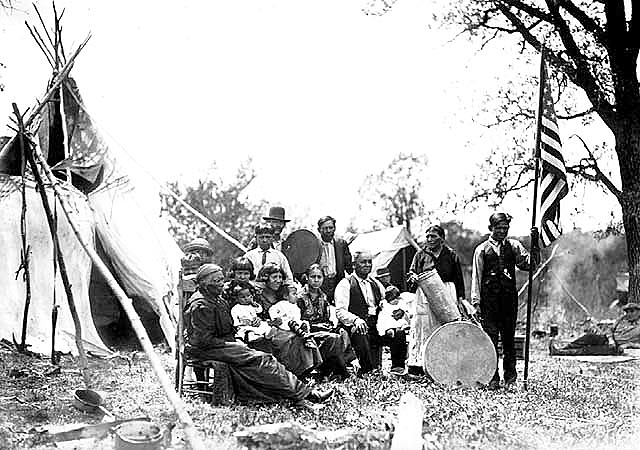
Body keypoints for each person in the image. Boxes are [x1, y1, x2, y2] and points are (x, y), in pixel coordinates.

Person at [183, 264, 332, 408]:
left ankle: (297, 396)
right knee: (262, 359)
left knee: (259, 363)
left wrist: (239, 338)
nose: (222, 284)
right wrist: (234, 345)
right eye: (216, 281)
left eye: (222, 279)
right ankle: (305, 394)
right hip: (207, 349)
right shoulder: (200, 304)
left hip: (221, 345)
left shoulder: (216, 298)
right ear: (203, 283)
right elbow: (203, 340)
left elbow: (228, 327)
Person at [471, 213, 539, 389]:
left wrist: (535, 243)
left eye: (505, 228)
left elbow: (529, 264)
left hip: (508, 299)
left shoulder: (514, 246)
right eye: (498, 228)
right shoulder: (482, 250)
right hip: (489, 301)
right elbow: (476, 277)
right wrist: (476, 302)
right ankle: (492, 377)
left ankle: (510, 378)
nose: (502, 231)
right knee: (490, 340)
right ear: (490, 228)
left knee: (508, 340)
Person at [334, 250, 408, 375]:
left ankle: (398, 370)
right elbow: (340, 311)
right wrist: (356, 320)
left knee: (399, 332)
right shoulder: (345, 284)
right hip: (354, 328)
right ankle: (368, 372)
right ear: (354, 265)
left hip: (375, 328)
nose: (367, 265)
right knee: (360, 331)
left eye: (369, 262)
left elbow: (387, 304)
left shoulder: (376, 283)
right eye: (363, 262)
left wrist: (399, 310)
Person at [406, 224, 466, 375]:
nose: (430, 239)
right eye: (427, 236)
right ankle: (419, 365)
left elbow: (459, 278)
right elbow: (412, 272)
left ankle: (444, 365)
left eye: (434, 236)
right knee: (423, 327)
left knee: (445, 327)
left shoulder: (451, 255)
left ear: (442, 239)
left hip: (446, 294)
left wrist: (460, 299)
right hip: (425, 295)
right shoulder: (420, 254)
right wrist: (413, 276)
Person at [249, 263, 322, 378]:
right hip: (268, 330)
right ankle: (292, 374)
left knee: (300, 335)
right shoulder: (258, 296)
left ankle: (305, 370)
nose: (278, 280)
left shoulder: (282, 293)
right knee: (291, 338)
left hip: (285, 327)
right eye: (274, 277)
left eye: (280, 277)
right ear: (266, 278)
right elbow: (257, 317)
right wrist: (270, 322)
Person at [297, 263, 357, 381]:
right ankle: (342, 372)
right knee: (333, 338)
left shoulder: (323, 297)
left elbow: (326, 318)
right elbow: (298, 320)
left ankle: (331, 371)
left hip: (322, 330)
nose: (316, 280)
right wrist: (317, 326)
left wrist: (329, 325)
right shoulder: (300, 297)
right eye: (313, 277)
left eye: (319, 277)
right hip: (306, 332)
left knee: (342, 333)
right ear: (307, 278)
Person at [549, 302, 640, 355]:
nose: (629, 314)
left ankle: (560, 352)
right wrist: (610, 339)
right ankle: (564, 349)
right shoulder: (622, 319)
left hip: (616, 347)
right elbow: (610, 330)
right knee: (588, 337)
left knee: (589, 350)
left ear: (638, 312)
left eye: (632, 311)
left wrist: (628, 345)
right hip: (608, 339)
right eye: (627, 311)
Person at [244, 222, 295, 290]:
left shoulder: (279, 256)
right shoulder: (249, 256)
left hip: (274, 293)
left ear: (272, 238)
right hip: (253, 292)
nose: (264, 240)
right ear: (256, 238)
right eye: (261, 237)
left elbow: (289, 278)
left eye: (268, 237)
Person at [316, 216, 353, 304]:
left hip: (338, 282)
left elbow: (349, 267)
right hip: (320, 284)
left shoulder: (341, 244)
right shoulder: (314, 245)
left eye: (330, 228)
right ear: (319, 230)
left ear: (334, 228)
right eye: (325, 228)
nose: (328, 231)